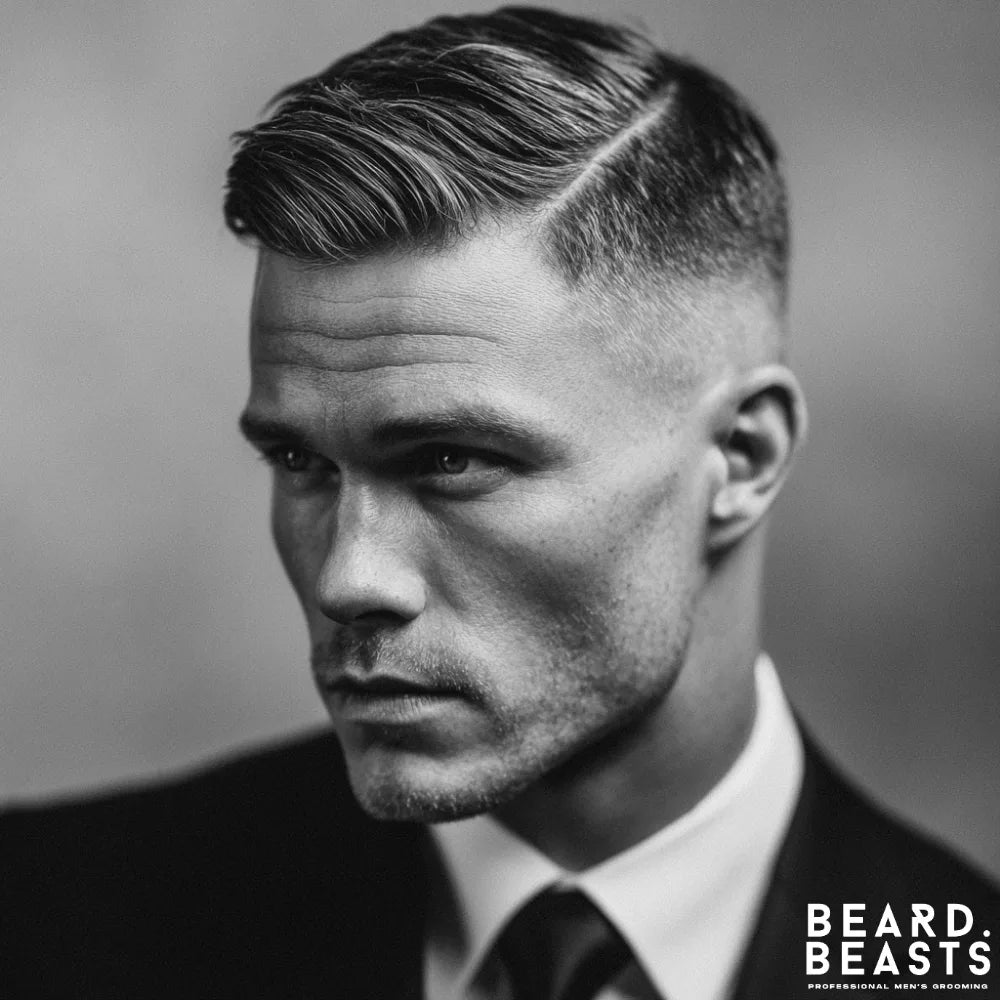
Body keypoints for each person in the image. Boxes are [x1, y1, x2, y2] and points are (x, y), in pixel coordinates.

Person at [2, 7, 997, 998]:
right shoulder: (45, 925)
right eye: (301, 461)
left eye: (450, 459)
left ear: (742, 455)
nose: (352, 576)